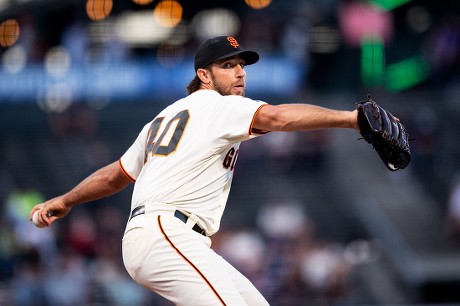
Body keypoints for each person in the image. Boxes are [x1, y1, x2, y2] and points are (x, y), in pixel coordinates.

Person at [30, 35, 359, 305]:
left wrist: (66, 200)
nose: (240, 73)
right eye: (228, 66)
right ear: (204, 75)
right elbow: (277, 117)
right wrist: (351, 118)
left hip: (167, 236)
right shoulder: (218, 105)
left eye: (241, 66)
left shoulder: (163, 118)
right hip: (166, 231)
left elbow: (115, 176)